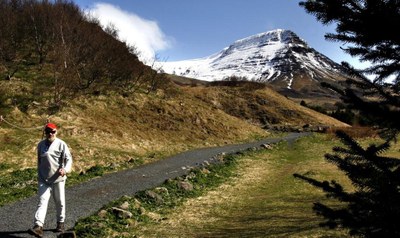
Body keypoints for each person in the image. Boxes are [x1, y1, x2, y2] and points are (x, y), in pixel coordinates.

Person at [28, 123, 73, 237]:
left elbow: (69, 160)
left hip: (58, 179)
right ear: (45, 132)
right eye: (48, 131)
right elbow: (39, 161)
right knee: (42, 201)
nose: (50, 134)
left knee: (60, 202)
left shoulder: (61, 144)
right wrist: (39, 175)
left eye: (53, 131)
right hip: (44, 179)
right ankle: (38, 226)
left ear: (56, 132)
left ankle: (60, 223)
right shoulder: (41, 145)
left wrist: (65, 170)